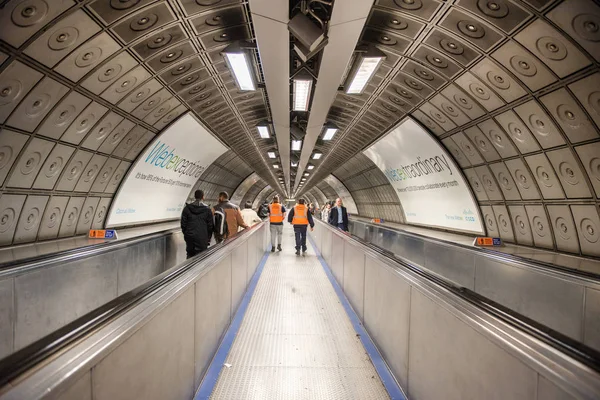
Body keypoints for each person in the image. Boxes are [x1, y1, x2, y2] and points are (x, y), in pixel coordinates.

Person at [180, 189, 214, 259]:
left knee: (190, 256)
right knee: (201, 257)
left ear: (195, 196)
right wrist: (208, 238)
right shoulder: (207, 210)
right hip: (202, 238)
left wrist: (187, 234)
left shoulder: (187, 209)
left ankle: (189, 269)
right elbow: (210, 226)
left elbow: (183, 224)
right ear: (203, 197)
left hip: (190, 237)